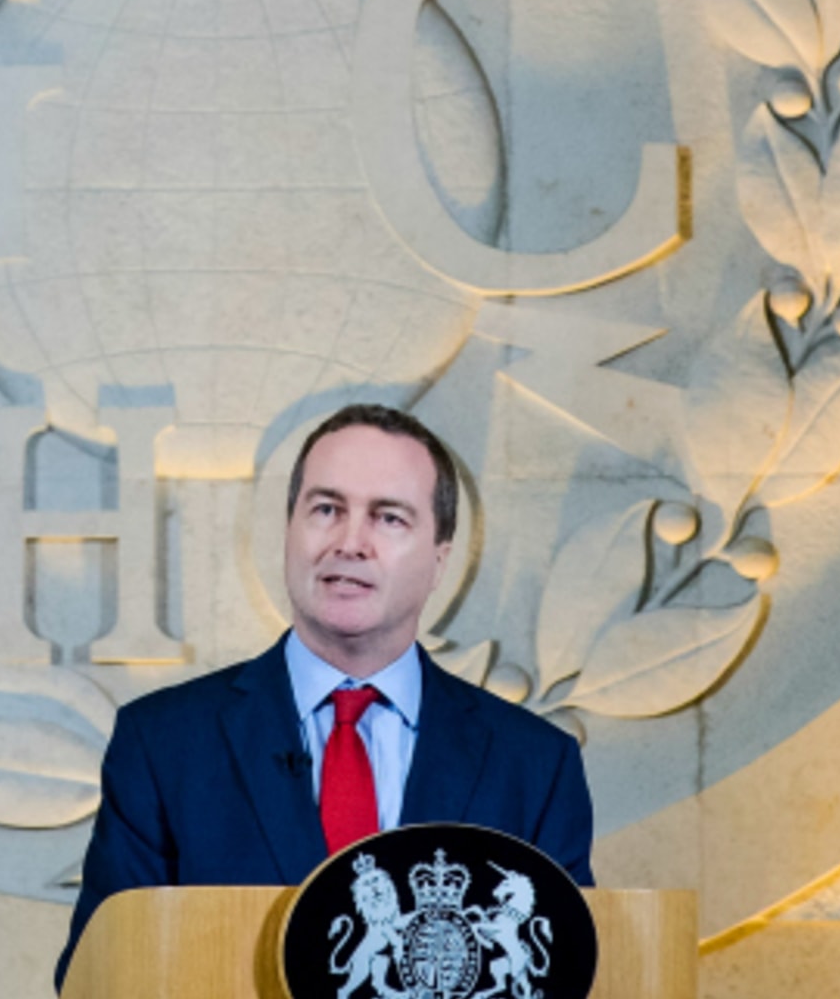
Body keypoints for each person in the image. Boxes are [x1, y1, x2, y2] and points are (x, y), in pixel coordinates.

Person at [56, 404, 594, 989]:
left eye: (388, 518)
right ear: (289, 531)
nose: (350, 542)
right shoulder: (161, 745)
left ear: (439, 560)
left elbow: (570, 978)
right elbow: (100, 979)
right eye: (327, 509)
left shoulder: (536, 766)